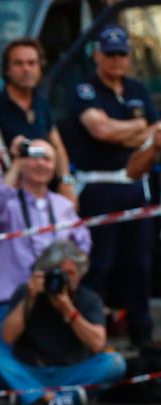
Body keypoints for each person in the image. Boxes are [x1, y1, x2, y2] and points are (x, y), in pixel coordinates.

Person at [66, 25, 156, 348]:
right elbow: (100, 130)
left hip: (134, 186)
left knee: (139, 264)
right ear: (98, 56)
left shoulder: (137, 89)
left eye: (122, 54)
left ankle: (141, 335)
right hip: (98, 187)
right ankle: (91, 333)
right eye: (111, 54)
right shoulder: (84, 90)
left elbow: (155, 132)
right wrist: (138, 128)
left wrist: (135, 132)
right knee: (99, 263)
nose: (117, 60)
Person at [0, 241, 125, 405]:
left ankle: (31, 397)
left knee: (115, 362)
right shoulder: (27, 292)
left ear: (80, 275)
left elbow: (98, 343)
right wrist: (29, 299)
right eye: (59, 274)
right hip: (31, 370)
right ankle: (56, 398)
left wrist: (70, 311)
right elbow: (7, 338)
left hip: (71, 372)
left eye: (71, 274)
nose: (65, 279)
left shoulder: (89, 299)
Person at [0, 138, 90, 343]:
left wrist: (68, 279)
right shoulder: (9, 201)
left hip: (54, 297)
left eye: (47, 159)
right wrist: (15, 163)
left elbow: (83, 248)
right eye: (34, 157)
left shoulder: (63, 206)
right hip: (11, 296)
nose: (40, 164)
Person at [0, 38, 76, 204]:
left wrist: (66, 182)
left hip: (42, 193)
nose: (26, 69)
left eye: (32, 63)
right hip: (7, 196)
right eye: (19, 63)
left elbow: (56, 145)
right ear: (6, 69)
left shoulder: (41, 103)